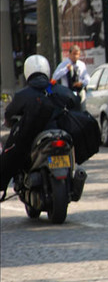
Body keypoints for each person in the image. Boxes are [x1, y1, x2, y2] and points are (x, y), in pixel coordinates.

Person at [1, 55, 78, 194]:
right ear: (47, 70)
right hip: (60, 133)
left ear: (27, 72)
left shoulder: (23, 94)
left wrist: (9, 122)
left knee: (11, 151)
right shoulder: (59, 90)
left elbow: (9, 114)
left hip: (34, 137)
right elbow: (74, 102)